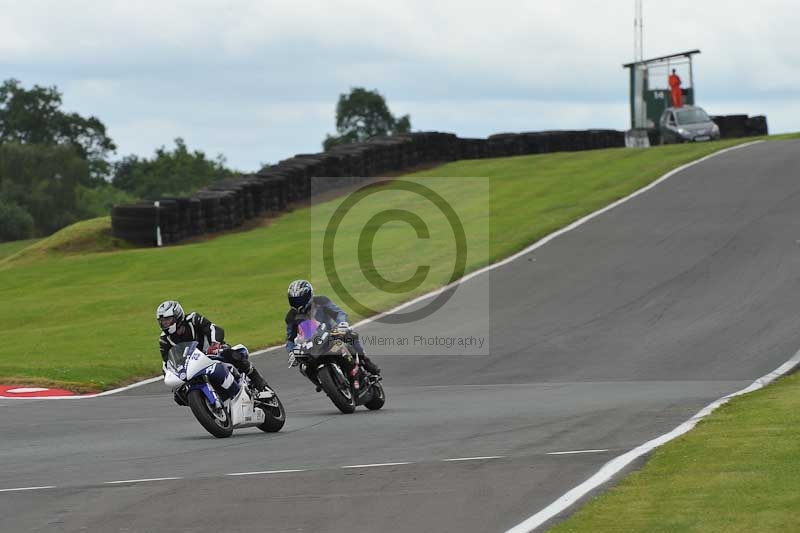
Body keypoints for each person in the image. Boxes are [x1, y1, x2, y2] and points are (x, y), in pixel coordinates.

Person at [156, 300, 270, 396]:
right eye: (162, 322)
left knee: (229, 354)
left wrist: (215, 344)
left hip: (211, 352)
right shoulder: (164, 340)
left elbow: (213, 328)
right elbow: (168, 362)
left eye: (167, 320)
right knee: (179, 395)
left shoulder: (193, 319)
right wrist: (171, 377)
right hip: (192, 366)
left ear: (177, 316)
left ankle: (257, 380)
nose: (164, 324)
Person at [284, 280, 381, 387]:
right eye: (294, 300)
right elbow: (290, 339)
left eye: (300, 299)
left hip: (331, 333)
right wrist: (291, 352)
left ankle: (365, 361)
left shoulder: (321, 301)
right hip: (311, 343)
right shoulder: (291, 317)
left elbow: (339, 313)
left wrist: (342, 324)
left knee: (350, 335)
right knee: (303, 366)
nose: (298, 303)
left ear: (309, 295)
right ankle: (322, 383)